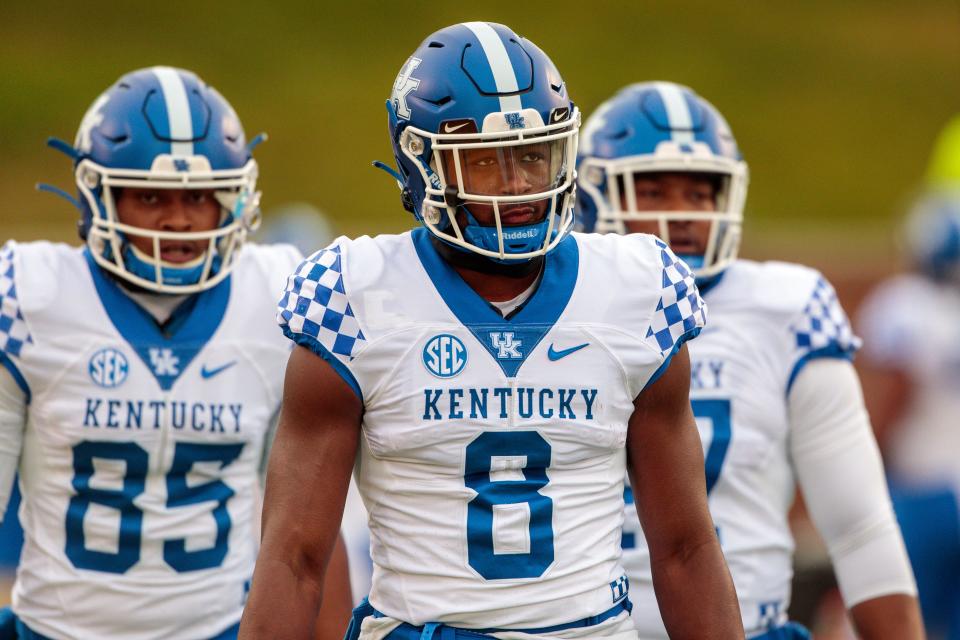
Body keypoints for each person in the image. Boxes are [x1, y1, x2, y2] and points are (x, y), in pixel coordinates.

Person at [240, 22, 743, 640]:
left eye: (534, 156)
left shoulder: (638, 292)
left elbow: (687, 547)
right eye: (484, 162)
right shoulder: (353, 298)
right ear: (420, 165)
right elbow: (295, 558)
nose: (519, 187)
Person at [0, 66, 350, 640]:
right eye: (149, 195)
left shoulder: (281, 296)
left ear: (234, 199)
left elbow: (307, 529)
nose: (178, 219)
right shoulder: (29, 298)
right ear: (98, 194)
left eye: (199, 196)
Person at [576, 81, 923, 640]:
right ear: (592, 197)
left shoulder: (783, 310)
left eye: (699, 193)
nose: (683, 215)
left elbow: (858, 526)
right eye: (655, 191)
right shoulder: (560, 309)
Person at [857, 186, 960, 639]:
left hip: (919, 489)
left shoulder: (905, 305)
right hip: (951, 484)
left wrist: (865, 460)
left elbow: (898, 390)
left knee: (892, 618)